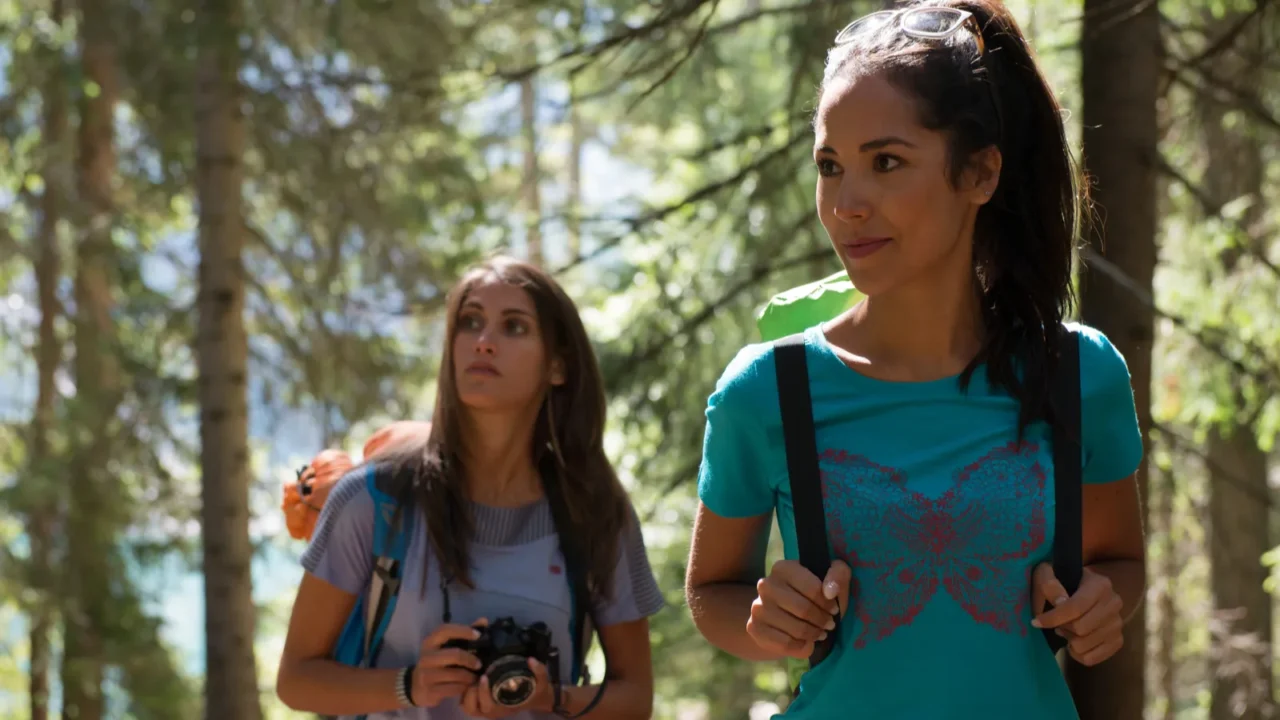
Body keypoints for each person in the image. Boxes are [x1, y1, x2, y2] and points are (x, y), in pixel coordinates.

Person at [684, 2, 1146, 718]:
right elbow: (711, 594)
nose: (846, 203)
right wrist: (762, 618)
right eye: (829, 166)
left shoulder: (1080, 375)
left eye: (887, 162)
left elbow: (1122, 563)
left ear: (980, 175)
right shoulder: (766, 391)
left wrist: (1100, 603)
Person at [277, 256, 664, 719]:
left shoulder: (595, 517)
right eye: (470, 322)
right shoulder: (374, 502)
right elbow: (296, 679)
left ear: (558, 365)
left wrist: (551, 697)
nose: (483, 343)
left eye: (514, 327)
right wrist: (410, 685)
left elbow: (635, 698)